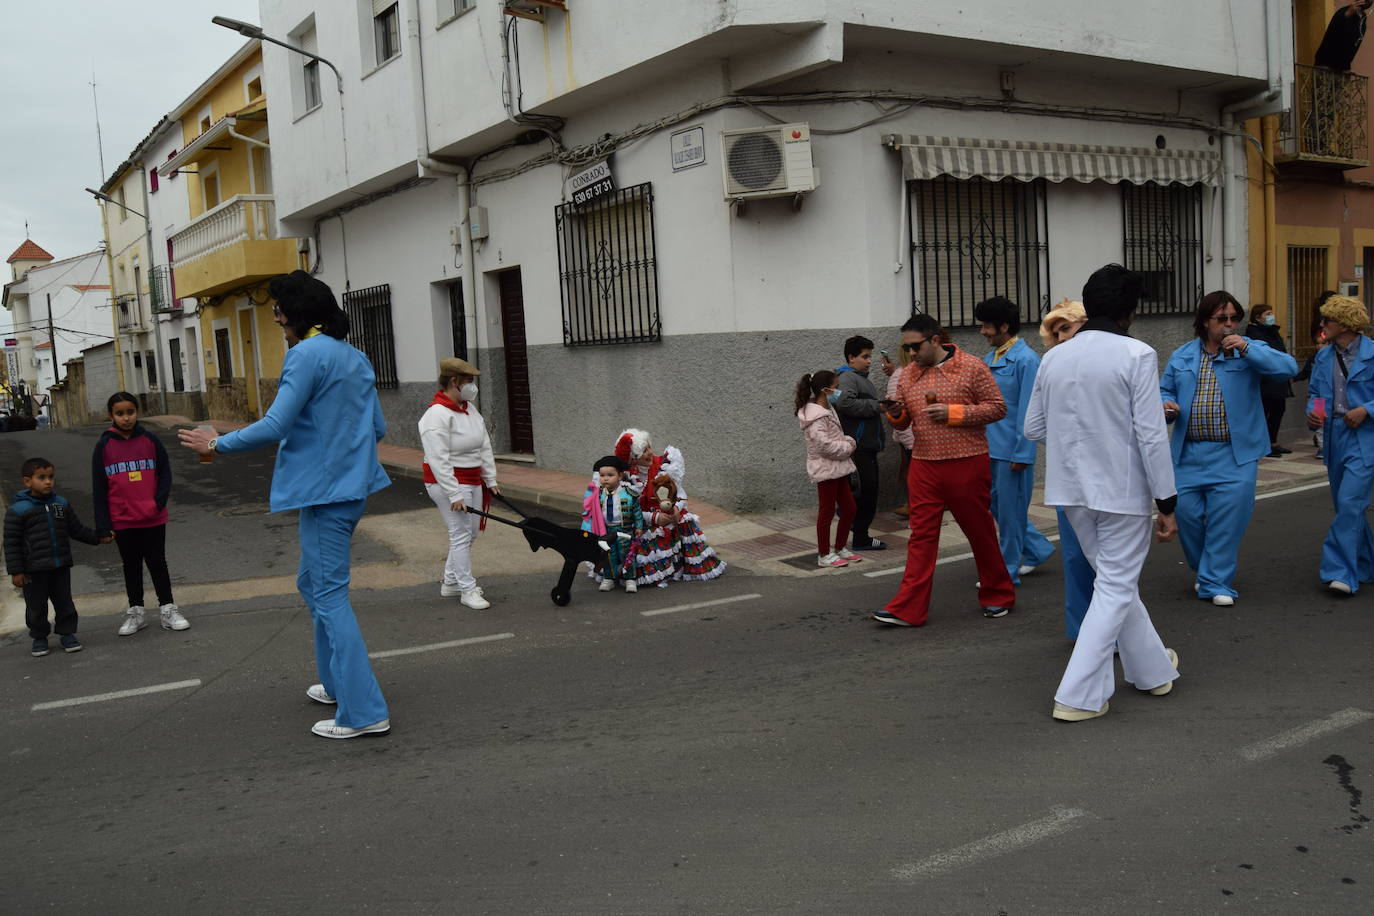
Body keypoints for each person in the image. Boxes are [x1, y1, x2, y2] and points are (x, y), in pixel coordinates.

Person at [178, 271, 391, 740]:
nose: (274, 317)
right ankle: (338, 685)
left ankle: (363, 711)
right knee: (312, 584)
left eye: (277, 310)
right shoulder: (355, 357)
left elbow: (275, 425)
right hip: (350, 490)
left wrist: (219, 443)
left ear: (294, 313)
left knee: (330, 596)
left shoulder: (305, 356)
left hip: (325, 493)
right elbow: (377, 428)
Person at [1025, 264, 1180, 722]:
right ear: (1131, 311)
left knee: (1115, 584)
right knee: (1114, 586)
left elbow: (1033, 426)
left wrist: (1080, 451)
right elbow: (1152, 437)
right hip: (1121, 490)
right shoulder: (1137, 355)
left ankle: (1153, 670)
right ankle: (1078, 695)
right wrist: (1167, 503)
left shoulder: (1055, 355)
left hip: (1070, 490)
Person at [871, 313, 1015, 626]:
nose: (910, 354)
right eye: (906, 347)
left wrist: (955, 413)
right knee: (921, 536)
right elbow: (905, 420)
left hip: (967, 461)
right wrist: (896, 414)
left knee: (979, 532)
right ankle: (907, 608)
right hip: (923, 464)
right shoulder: (908, 374)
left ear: (935, 340)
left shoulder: (972, 366)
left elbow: (998, 407)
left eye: (914, 346)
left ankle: (998, 593)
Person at [1160, 292, 1297, 606]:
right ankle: (1207, 570)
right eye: (1222, 319)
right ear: (1205, 321)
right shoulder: (1182, 355)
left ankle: (1216, 581)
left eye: (1234, 318)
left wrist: (1247, 348)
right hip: (1188, 453)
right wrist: (1165, 403)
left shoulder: (1251, 350)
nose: (1229, 325)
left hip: (1235, 455)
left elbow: (1286, 367)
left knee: (1227, 519)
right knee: (1188, 515)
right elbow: (1164, 388)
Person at [973, 296, 1056, 584]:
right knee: (997, 508)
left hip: (1012, 452)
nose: (982, 331)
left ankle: (1006, 573)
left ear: (1004, 326)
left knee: (1010, 515)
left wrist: (1023, 454)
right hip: (989, 449)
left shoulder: (1027, 360)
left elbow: (1031, 413)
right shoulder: (989, 359)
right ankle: (1037, 547)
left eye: (986, 326)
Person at [93, 391, 189, 636]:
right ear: (111, 415)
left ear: (138, 412)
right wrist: (103, 525)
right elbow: (99, 487)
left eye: (130, 412)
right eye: (120, 413)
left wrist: (158, 503)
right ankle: (136, 612)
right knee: (131, 565)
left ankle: (168, 609)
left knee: (157, 562)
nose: (126, 418)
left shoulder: (151, 440)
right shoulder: (104, 445)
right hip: (123, 519)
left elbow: (165, 473)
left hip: (152, 517)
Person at [1304, 295, 1374, 595]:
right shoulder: (1323, 356)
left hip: (1365, 437)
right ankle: (1366, 564)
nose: (1322, 326)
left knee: (1349, 504)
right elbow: (1317, 392)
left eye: (1327, 321)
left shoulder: (1372, 353)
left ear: (1344, 324)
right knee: (1348, 507)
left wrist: (1368, 409)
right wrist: (1314, 412)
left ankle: (1340, 572)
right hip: (1335, 436)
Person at [5, 457, 110, 657]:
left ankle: (67, 633)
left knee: (64, 603)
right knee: (36, 606)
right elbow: (11, 543)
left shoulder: (60, 504)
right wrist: (16, 571)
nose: (48, 482)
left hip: (60, 565)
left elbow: (76, 529)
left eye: (51, 477)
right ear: (27, 481)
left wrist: (99, 537)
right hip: (33, 570)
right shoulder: (18, 510)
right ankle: (39, 637)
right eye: (41, 477)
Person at [419, 357, 500, 610]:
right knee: (461, 535)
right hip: (447, 483)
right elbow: (437, 459)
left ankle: (451, 581)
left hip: (473, 479)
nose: (472, 387)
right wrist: (454, 494)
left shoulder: (469, 410)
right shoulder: (436, 415)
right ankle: (466, 589)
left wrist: (491, 478)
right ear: (454, 381)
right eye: (469, 381)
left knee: (470, 533)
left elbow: (483, 444)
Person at [1037, 299, 1095, 640]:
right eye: (1055, 333)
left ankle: (1114, 633)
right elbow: (1036, 424)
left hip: (1106, 479)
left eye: (1065, 329)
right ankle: (1081, 631)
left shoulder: (1110, 362)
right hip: (1069, 479)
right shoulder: (1051, 366)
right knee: (1075, 560)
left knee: (1110, 567)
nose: (1060, 339)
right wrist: (1065, 448)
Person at [608, 429, 724, 587]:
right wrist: (654, 518)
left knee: (683, 519)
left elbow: (681, 493)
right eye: (644, 451)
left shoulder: (663, 465)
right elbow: (624, 511)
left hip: (668, 517)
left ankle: (678, 562)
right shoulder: (623, 478)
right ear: (633, 459)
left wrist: (676, 508)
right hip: (642, 522)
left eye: (649, 447)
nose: (650, 453)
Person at [796, 369, 860, 568]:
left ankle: (840, 548)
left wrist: (844, 444)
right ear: (825, 390)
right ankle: (824, 554)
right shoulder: (816, 416)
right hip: (825, 469)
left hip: (837, 467)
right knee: (827, 512)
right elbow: (824, 445)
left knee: (849, 508)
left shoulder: (827, 410)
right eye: (837, 387)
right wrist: (849, 445)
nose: (839, 391)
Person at [833, 335, 887, 551]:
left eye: (870, 356)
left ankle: (859, 534)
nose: (869, 360)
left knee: (865, 491)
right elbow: (845, 403)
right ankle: (860, 536)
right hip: (859, 444)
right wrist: (878, 406)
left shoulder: (860, 377)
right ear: (851, 357)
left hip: (865, 443)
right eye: (865, 356)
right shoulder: (848, 377)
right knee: (867, 490)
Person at [581, 455, 645, 592]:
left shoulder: (629, 494)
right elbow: (592, 513)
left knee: (626, 554)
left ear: (620, 476)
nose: (605, 478)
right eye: (602, 475)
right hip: (606, 530)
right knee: (608, 554)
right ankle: (609, 578)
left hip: (624, 529)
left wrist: (639, 527)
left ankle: (630, 579)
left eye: (610, 475)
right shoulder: (597, 495)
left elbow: (637, 513)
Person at [1245, 304, 1295, 457]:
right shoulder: (1255, 333)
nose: (1271, 316)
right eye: (1267, 313)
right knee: (1266, 411)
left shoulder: (1273, 330)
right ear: (1258, 316)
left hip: (1278, 378)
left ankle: (1273, 441)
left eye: (1271, 312)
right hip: (1266, 381)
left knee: (1279, 410)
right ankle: (1265, 444)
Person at [1315, 0, 1372, 71]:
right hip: (1326, 66)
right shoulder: (1344, 11)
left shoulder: (1363, 18)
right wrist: (1347, 13)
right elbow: (1332, 31)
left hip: (1343, 69)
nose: (1369, 1)